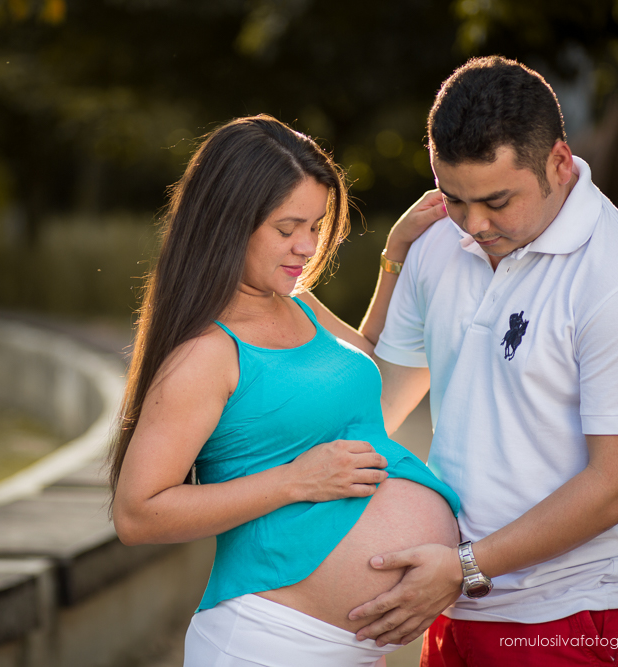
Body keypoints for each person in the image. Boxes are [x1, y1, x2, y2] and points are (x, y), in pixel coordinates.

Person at [348, 56, 618, 666]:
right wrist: (393, 258)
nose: (473, 224)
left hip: (581, 614)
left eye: (497, 201)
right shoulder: (435, 240)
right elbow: (377, 403)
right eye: (453, 197)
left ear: (559, 163)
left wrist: (464, 566)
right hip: (457, 596)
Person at [107, 114, 461, 666]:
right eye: (287, 227)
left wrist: (395, 256)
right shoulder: (205, 354)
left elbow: (368, 368)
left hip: (352, 647)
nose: (306, 247)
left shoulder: (297, 302)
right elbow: (137, 514)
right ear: (229, 222)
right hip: (268, 641)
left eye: (317, 226)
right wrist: (296, 481)